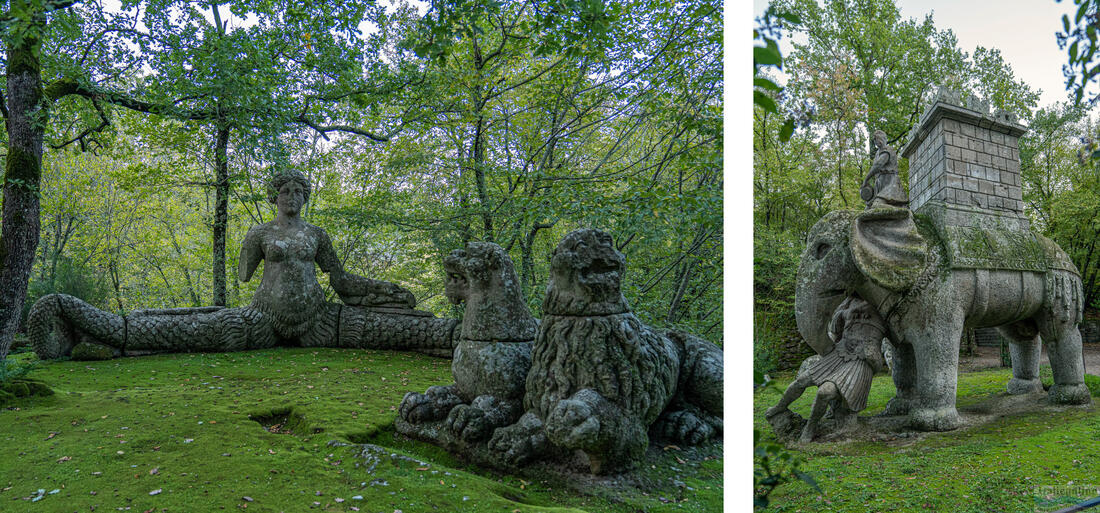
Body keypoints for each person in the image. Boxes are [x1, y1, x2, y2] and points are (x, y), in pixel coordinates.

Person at [239, 168, 413, 342]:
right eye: (285, 191)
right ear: (274, 197)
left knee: (394, 329)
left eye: (298, 192)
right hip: (265, 315)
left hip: (317, 317)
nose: (292, 196)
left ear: (304, 198)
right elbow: (243, 274)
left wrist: (381, 288)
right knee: (220, 331)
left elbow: (340, 279)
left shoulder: (316, 234)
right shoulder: (260, 233)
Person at [766, 295, 887, 442]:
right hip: (840, 352)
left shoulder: (884, 301)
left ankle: (810, 427)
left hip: (860, 361)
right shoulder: (850, 300)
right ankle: (779, 407)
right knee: (802, 380)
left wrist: (873, 356)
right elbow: (835, 328)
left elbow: (890, 344)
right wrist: (845, 313)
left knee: (825, 392)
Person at [861, 130, 908, 209]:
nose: (876, 141)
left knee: (877, 206)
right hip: (880, 185)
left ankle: (900, 210)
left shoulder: (888, 150)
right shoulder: (877, 153)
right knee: (868, 208)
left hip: (890, 184)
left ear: (882, 139)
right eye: (875, 139)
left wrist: (866, 179)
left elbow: (878, 165)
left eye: (876, 139)